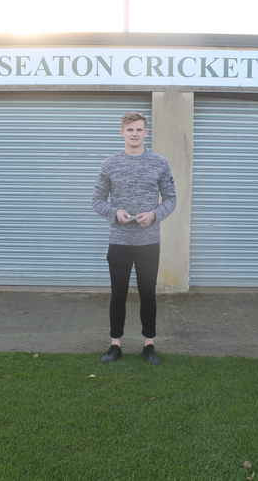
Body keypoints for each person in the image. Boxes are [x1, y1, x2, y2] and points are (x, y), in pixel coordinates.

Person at [92, 112, 176, 365]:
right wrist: (114, 213)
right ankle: (115, 343)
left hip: (149, 242)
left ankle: (149, 344)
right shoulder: (109, 164)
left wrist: (155, 214)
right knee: (118, 294)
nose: (135, 134)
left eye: (139, 129)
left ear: (146, 133)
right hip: (119, 240)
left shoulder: (160, 163)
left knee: (148, 293)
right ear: (122, 132)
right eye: (130, 130)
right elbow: (96, 201)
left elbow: (171, 199)